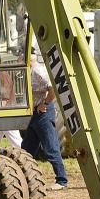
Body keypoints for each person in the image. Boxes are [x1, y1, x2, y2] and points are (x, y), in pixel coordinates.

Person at [21, 49, 68, 190]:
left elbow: (53, 88)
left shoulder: (39, 71)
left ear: (29, 58)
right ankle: (24, 178)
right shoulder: (29, 70)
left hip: (43, 113)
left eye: (21, 56)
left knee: (51, 147)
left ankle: (61, 181)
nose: (19, 58)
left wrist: (45, 103)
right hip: (34, 113)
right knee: (26, 149)